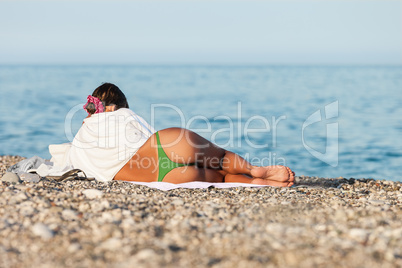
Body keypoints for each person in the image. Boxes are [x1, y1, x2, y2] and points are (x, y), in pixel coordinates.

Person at [74, 83, 295, 187]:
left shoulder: (79, 143)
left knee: (222, 178)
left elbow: (74, 169)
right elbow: (145, 136)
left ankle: (256, 182)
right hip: (165, 145)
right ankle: (252, 169)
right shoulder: (121, 114)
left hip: (163, 176)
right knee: (221, 159)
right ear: (115, 106)